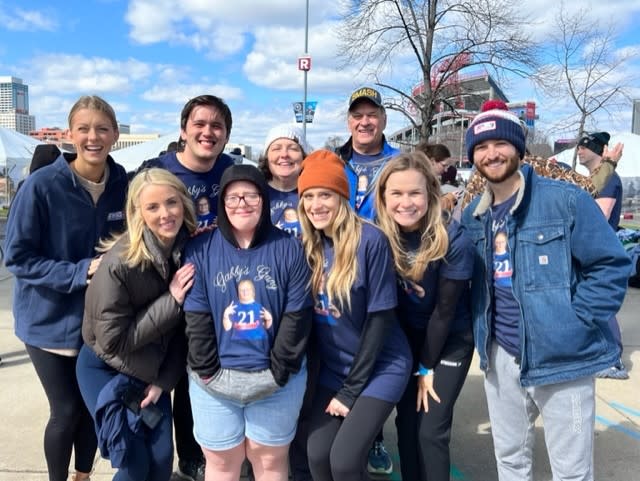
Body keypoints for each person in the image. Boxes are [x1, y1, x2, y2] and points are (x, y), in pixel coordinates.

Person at [461, 104, 631, 481]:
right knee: (510, 461)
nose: (491, 154)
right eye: (481, 146)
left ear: (519, 148)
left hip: (562, 358)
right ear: (472, 155)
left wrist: (576, 321)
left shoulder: (564, 200)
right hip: (499, 355)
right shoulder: (474, 215)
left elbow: (611, 264)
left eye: (500, 142)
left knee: (571, 472)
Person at [4, 95, 128, 481]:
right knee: (66, 411)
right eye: (84, 129)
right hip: (48, 323)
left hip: (100, 323)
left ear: (115, 134)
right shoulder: (42, 186)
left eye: (102, 128)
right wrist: (78, 272)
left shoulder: (123, 182)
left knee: (94, 407)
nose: (94, 137)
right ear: (70, 134)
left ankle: (82, 474)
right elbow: (18, 257)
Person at [184, 164, 312, 481]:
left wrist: (279, 371)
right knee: (222, 462)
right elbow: (196, 319)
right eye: (233, 197)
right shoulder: (200, 248)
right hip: (214, 382)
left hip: (276, 380)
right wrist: (208, 371)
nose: (242, 203)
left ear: (264, 200)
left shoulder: (289, 247)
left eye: (251, 195)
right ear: (222, 204)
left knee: (268, 460)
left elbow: (297, 317)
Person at [76, 168, 197, 481]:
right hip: (108, 368)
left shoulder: (190, 251)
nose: (165, 214)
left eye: (172, 202)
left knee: (160, 463)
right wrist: (171, 301)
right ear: (137, 213)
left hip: (153, 373)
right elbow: (114, 341)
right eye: (153, 207)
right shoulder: (119, 263)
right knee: (133, 463)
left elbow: (182, 335)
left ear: (183, 202)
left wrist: (163, 383)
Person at [297, 150, 411, 481]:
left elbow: (380, 322)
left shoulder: (370, 241)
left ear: (342, 197)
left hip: (380, 367)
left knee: (344, 462)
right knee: (317, 456)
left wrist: (350, 391)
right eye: (308, 196)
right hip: (335, 369)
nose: (316, 205)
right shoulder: (308, 247)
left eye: (325, 195)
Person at [140, 94, 236, 481]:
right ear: (183, 130)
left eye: (217, 126)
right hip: (165, 290)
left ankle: (206, 453)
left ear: (226, 135)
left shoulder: (232, 171)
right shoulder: (156, 170)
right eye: (199, 124)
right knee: (171, 377)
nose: (207, 132)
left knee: (206, 373)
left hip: (216, 292)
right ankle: (173, 455)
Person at [375, 152, 475, 481]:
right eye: (397, 193)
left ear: (430, 194)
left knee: (430, 430)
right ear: (384, 197)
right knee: (405, 425)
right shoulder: (379, 238)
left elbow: (445, 312)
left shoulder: (453, 239)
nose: (406, 202)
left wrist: (426, 367)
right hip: (404, 342)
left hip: (447, 342)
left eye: (415, 193)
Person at [336, 86, 398, 474]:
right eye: (357, 115)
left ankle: (374, 436)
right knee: (345, 352)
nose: (364, 121)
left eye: (371, 114)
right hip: (341, 271)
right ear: (349, 122)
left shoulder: (399, 160)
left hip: (388, 269)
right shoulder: (333, 160)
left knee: (379, 352)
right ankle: (344, 427)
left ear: (383, 120)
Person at [577, 131, 628, 379]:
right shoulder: (591, 179)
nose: (580, 150)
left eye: (585, 147)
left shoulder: (608, 180)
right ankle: (599, 354)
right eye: (579, 146)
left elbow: (600, 214)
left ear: (599, 150)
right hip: (588, 250)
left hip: (600, 251)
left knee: (600, 303)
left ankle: (613, 360)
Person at [258, 124, 310, 239]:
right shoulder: (255, 194)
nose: (284, 155)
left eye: (292, 148)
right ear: (267, 157)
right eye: (276, 148)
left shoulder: (314, 194)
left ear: (304, 157)